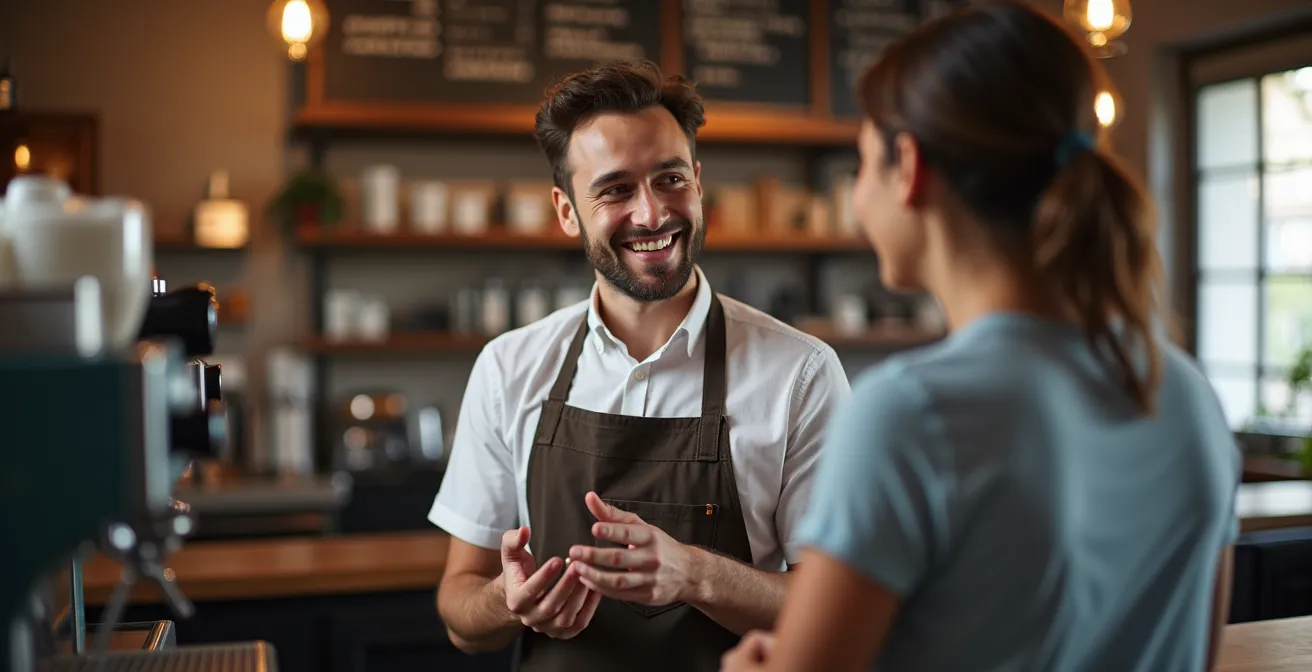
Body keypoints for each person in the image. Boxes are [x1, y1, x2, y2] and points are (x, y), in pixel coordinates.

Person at [720, 2, 1241, 671]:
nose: (858, 198)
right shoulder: (1188, 396)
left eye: (862, 164)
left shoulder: (911, 415)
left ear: (907, 166)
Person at [429, 59, 851, 672]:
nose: (652, 214)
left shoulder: (802, 374)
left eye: (670, 178)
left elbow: (834, 612)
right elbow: (459, 610)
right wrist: (506, 600)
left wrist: (695, 574)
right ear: (567, 210)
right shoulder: (508, 368)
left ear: (699, 183)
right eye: (616, 188)